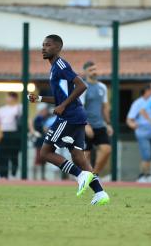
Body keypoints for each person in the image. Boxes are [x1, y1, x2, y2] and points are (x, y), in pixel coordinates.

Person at [27, 34, 109, 205]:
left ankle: (80, 175)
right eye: (42, 45)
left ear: (58, 48)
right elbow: (61, 98)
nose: (43, 48)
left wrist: (63, 106)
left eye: (48, 45)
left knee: (45, 152)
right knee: (79, 156)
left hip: (69, 116)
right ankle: (100, 193)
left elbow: (82, 85)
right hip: (76, 115)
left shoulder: (61, 65)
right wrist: (40, 99)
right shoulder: (54, 68)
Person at [81, 61, 113, 176]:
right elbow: (80, 108)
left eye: (95, 69)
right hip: (85, 125)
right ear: (85, 72)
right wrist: (86, 124)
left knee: (106, 150)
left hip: (99, 125)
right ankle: (82, 176)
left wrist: (108, 124)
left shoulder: (102, 87)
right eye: (91, 70)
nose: (94, 72)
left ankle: (95, 175)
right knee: (86, 155)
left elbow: (105, 107)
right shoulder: (82, 87)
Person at [126, 83, 151, 182]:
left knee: (150, 156)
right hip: (142, 131)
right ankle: (145, 176)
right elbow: (130, 119)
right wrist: (133, 125)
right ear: (148, 91)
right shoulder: (138, 103)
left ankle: (145, 175)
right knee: (146, 154)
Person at [0, 92, 22, 179]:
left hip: (14, 134)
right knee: (1, 155)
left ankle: (13, 173)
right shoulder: (2, 109)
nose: (6, 99)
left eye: (8, 97)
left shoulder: (19, 107)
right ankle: (3, 175)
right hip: (3, 134)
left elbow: (26, 119)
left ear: (14, 98)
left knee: (13, 155)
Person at [30, 103, 50, 180]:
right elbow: (44, 129)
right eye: (45, 110)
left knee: (43, 159)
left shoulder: (44, 118)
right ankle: (35, 177)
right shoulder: (39, 118)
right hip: (40, 141)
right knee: (38, 158)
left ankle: (42, 176)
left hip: (44, 141)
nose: (46, 111)